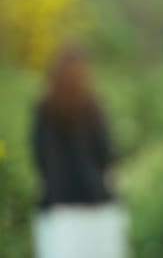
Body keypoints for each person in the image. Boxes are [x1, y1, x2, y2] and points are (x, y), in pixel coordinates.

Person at [31, 48, 127, 258]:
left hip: (58, 205)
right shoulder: (93, 106)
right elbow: (106, 153)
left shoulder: (44, 108)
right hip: (97, 202)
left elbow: (40, 157)